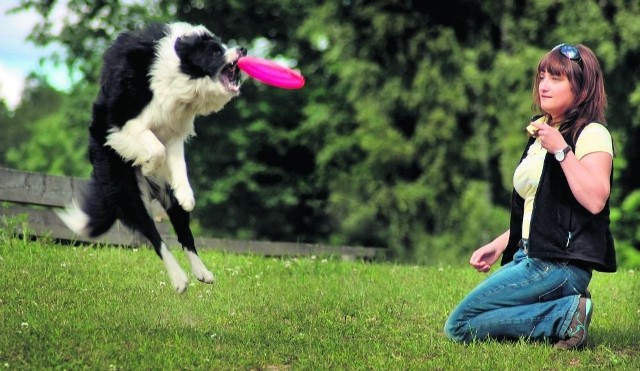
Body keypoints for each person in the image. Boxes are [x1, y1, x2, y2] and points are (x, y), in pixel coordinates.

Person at [444, 43, 617, 350]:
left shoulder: (591, 134)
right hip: (530, 254)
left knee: (459, 325)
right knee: (490, 311)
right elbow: (539, 208)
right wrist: (499, 246)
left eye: (556, 78)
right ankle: (567, 307)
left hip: (560, 264)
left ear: (582, 87)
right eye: (542, 76)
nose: (544, 85)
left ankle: (565, 315)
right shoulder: (542, 133)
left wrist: (562, 150)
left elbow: (595, 199)